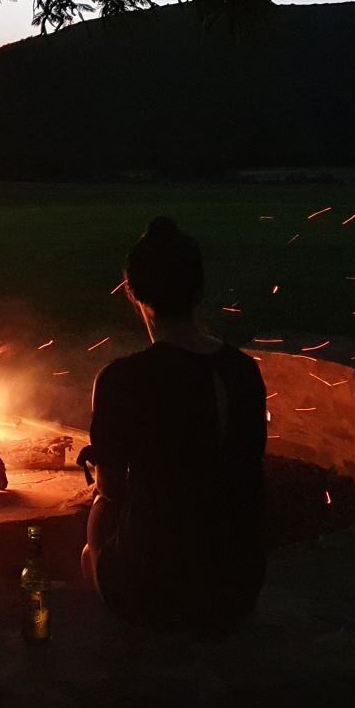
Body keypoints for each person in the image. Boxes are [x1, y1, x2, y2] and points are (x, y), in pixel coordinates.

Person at [80, 217, 267, 632]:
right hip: (238, 584)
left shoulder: (121, 380)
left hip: (156, 591)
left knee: (96, 522)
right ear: (199, 291)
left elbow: (110, 492)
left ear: (132, 292)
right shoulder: (243, 371)